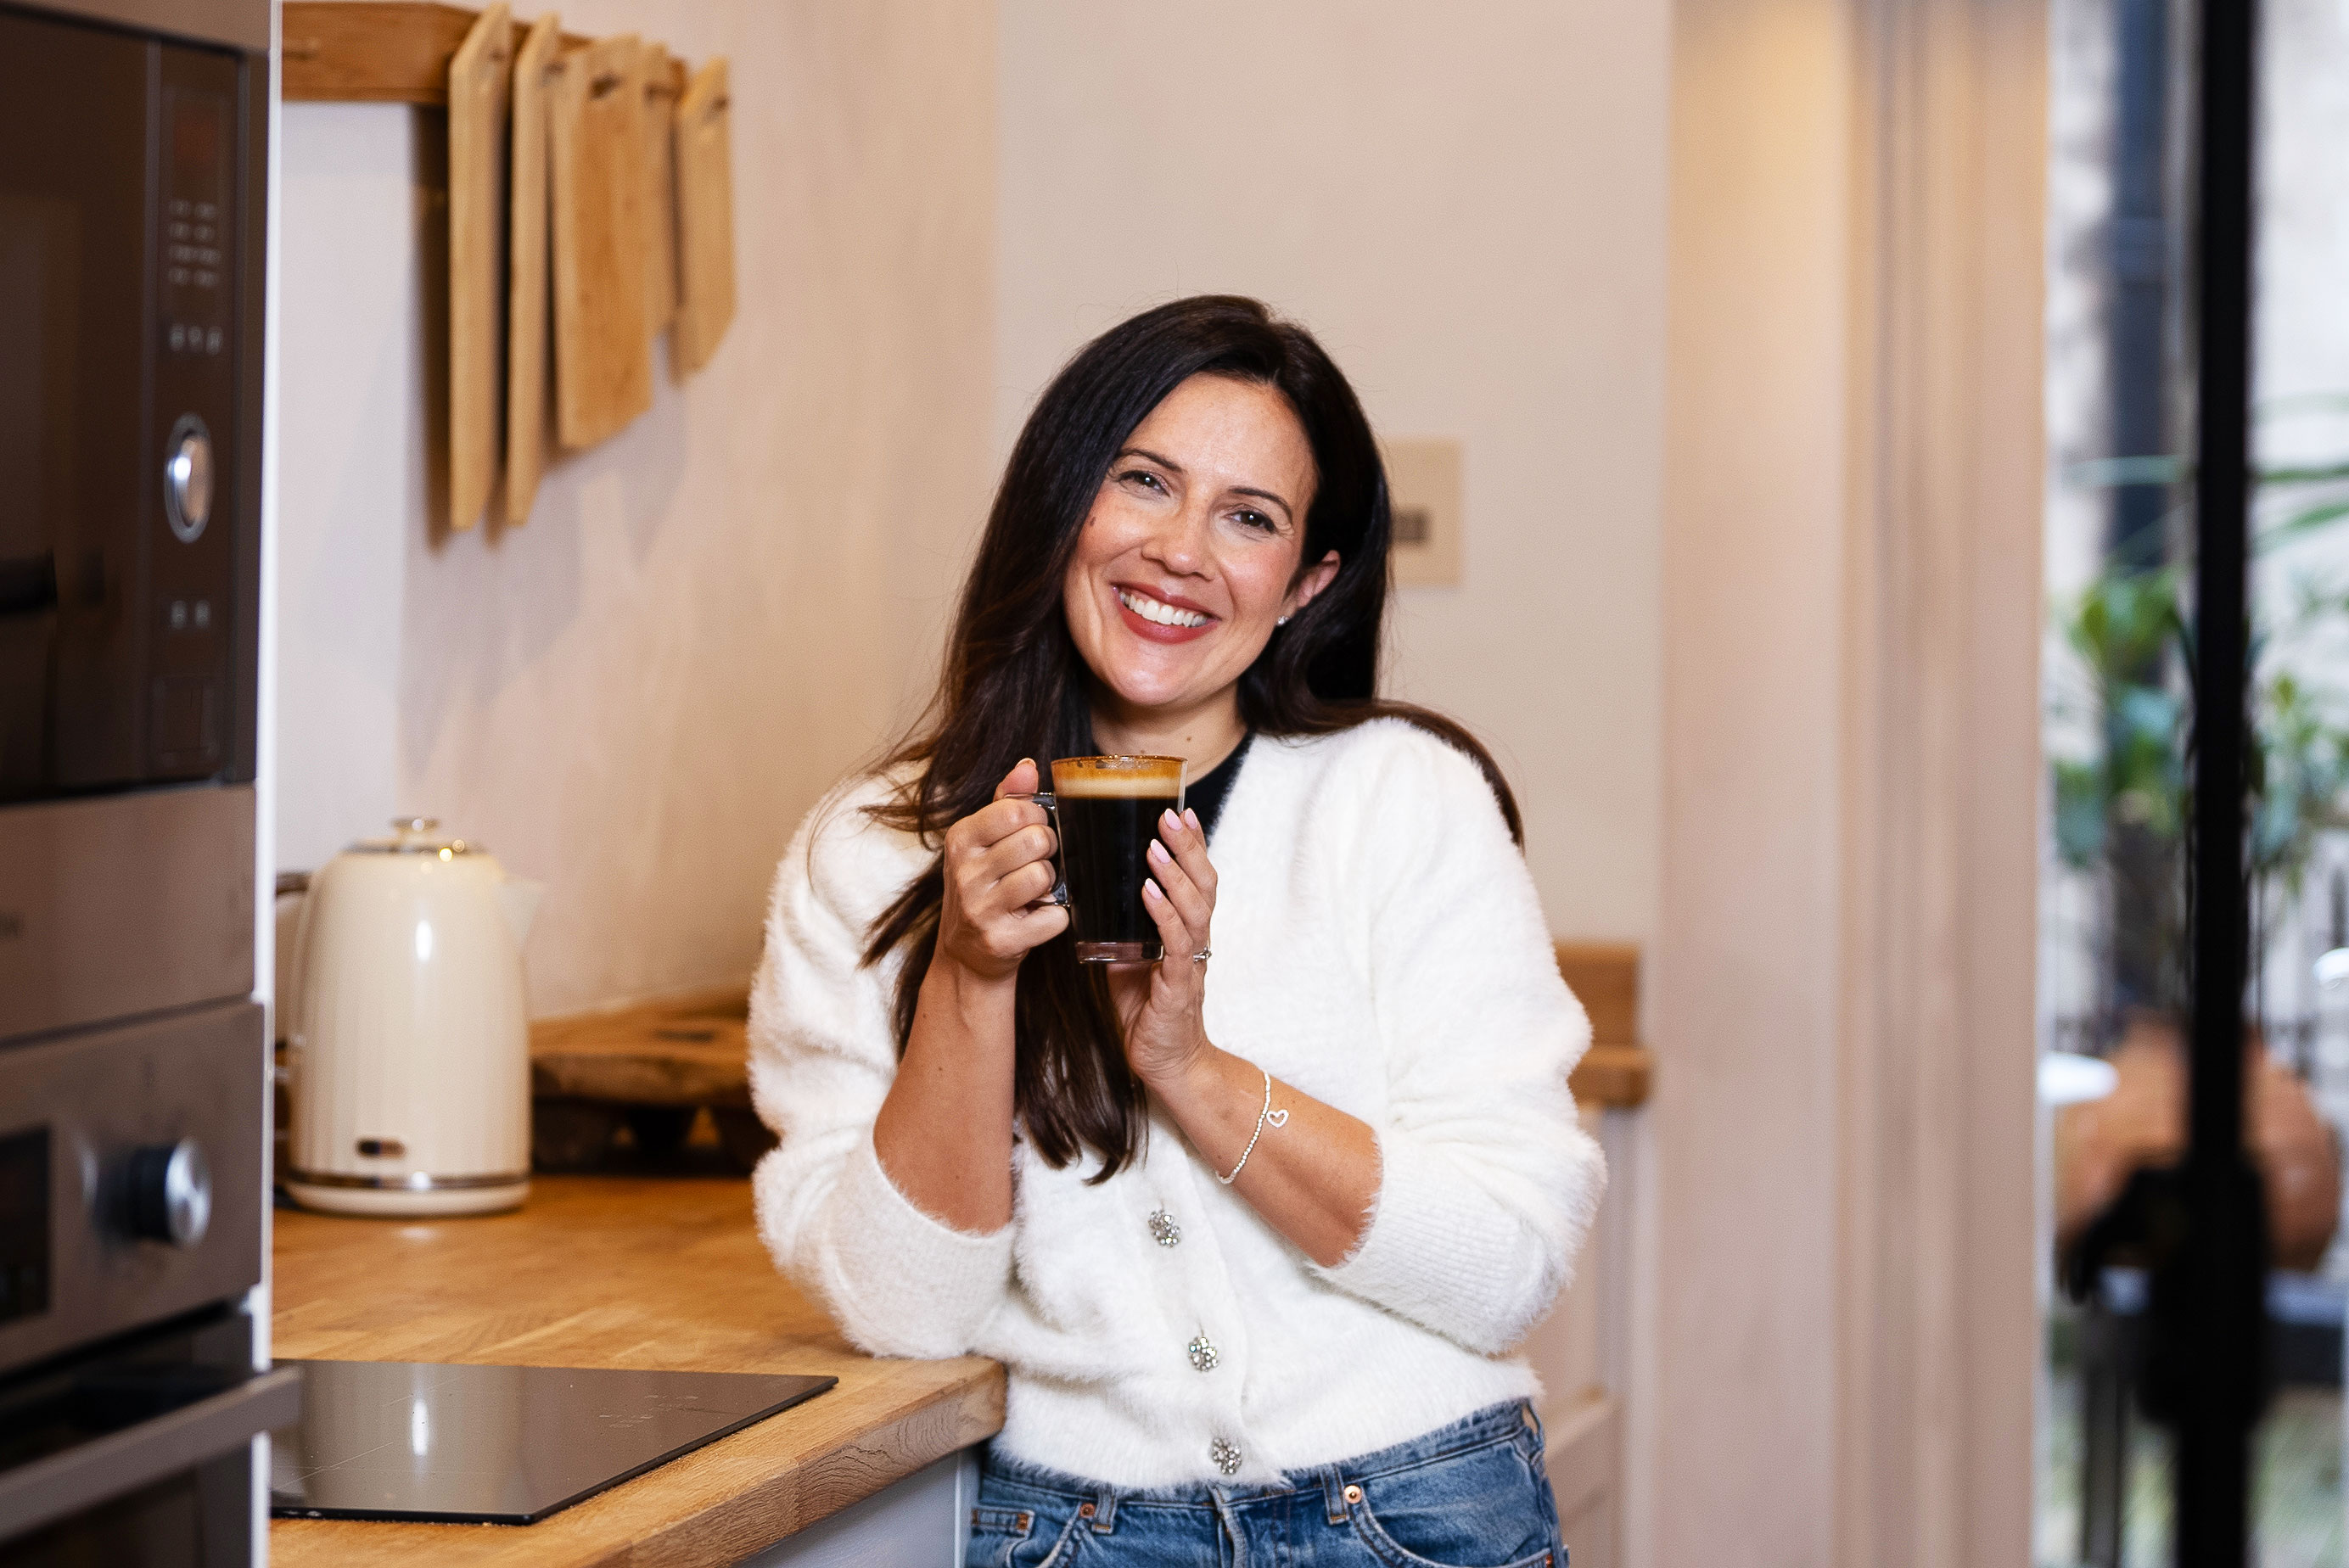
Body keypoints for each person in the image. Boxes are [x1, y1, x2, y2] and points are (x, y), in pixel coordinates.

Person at [748, 295, 1605, 1566]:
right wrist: (973, 982)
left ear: (1307, 582)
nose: (1182, 551)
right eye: (1143, 483)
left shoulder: (1400, 798)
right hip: (1078, 1533)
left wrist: (1191, 1071)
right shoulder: (868, 856)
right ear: (1062, 503)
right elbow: (906, 1314)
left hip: (1424, 1513)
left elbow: (1505, 1266)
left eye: (1248, 517)